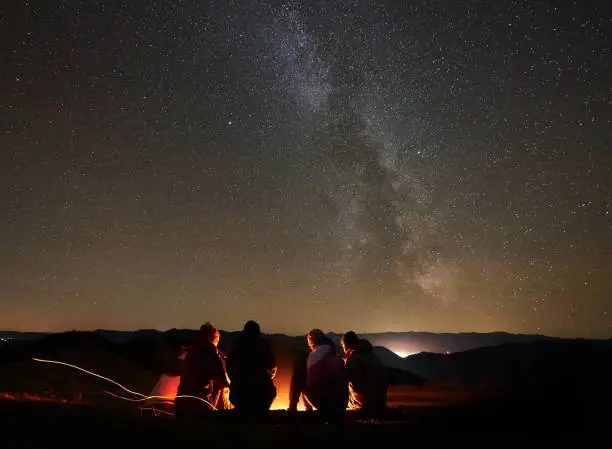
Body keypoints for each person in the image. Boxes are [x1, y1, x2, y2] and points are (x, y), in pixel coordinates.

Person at [289, 329, 348, 421]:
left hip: (324, 404)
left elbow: (307, 381)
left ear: (311, 342)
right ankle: (307, 408)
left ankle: (295, 407)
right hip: (341, 404)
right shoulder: (336, 354)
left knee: (301, 374)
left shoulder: (310, 356)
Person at [174, 322, 230, 417]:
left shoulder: (190, 352)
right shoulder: (211, 353)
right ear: (215, 339)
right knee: (223, 389)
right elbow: (223, 381)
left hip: (180, 405)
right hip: (200, 407)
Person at [226, 320, 277, 414]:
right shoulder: (264, 346)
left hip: (239, 395)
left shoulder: (237, 346)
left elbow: (229, 368)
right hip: (262, 395)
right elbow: (272, 368)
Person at [341, 331, 388, 418]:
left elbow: (357, 386)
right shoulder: (372, 355)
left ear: (345, 345)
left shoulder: (352, 357)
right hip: (381, 402)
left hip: (366, 404)